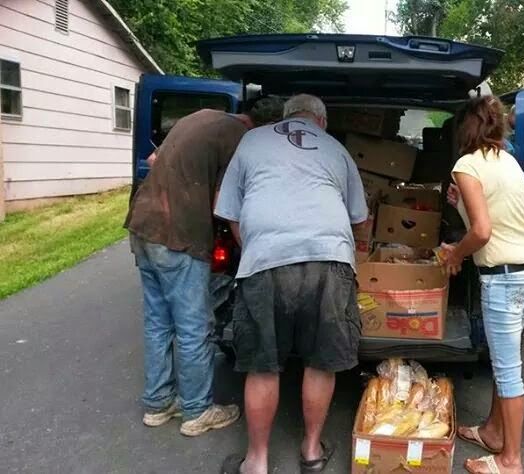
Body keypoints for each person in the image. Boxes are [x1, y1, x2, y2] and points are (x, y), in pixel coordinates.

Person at [215, 94, 368, 474]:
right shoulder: (336, 149)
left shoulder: (252, 140)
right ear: (322, 121)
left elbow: (229, 210)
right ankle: (312, 452)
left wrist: (255, 248)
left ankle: (257, 461)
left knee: (263, 365)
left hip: (265, 259)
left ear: (285, 116)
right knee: (320, 362)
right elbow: (359, 218)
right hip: (329, 259)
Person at [125, 97, 285, 436]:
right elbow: (222, 204)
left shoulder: (200, 115)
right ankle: (197, 410)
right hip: (178, 236)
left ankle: (158, 404)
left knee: (158, 322)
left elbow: (154, 159)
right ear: (262, 128)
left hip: (143, 225)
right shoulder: (240, 139)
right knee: (193, 325)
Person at [442, 96, 524, 474]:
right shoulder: (507, 161)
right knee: (507, 359)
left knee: (507, 370)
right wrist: (460, 207)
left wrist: (455, 254)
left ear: (465, 129)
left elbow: (482, 232)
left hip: (503, 278)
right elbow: (496, 217)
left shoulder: (466, 164)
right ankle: (493, 432)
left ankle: (510, 461)